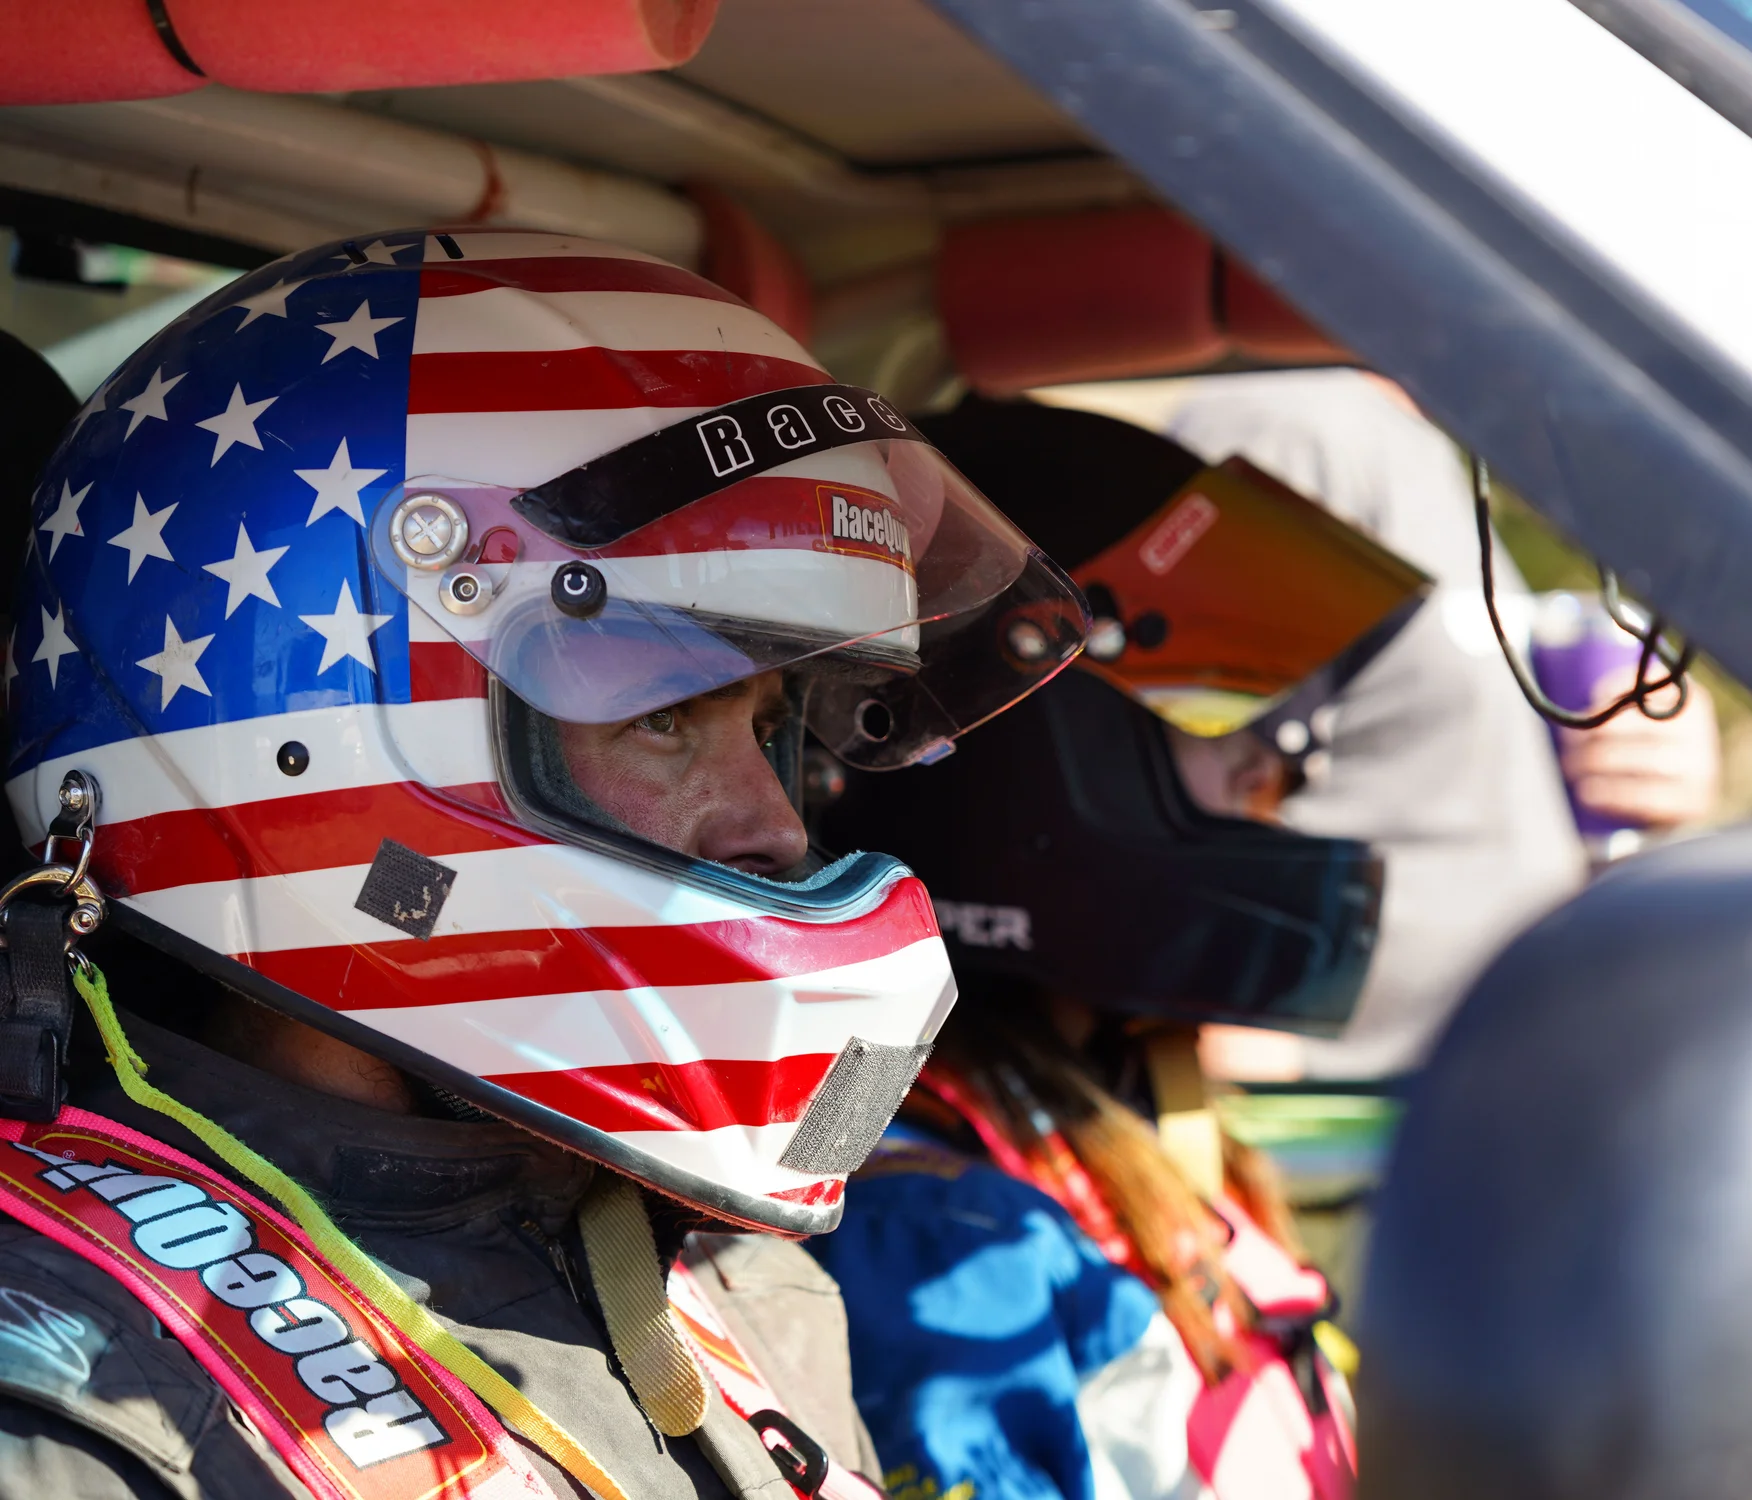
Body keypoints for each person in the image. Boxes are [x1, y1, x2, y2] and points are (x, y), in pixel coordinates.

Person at [0, 230, 1083, 1499]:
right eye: (663, 713)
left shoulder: (733, 1280)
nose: (775, 827)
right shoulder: (79, 1397)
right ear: (329, 748)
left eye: (770, 722)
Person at [812, 398, 1415, 1500]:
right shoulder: (927, 1227)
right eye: (1221, 719)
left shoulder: (1139, 1104)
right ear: (1032, 757)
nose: (1283, 772)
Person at [1163, 368, 1720, 1080]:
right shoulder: (1300, 428)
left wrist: (1655, 765)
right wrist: (1232, 1071)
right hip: (1317, 1111)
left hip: (1464, 1079)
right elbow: (1172, 800)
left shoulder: (1418, 449)